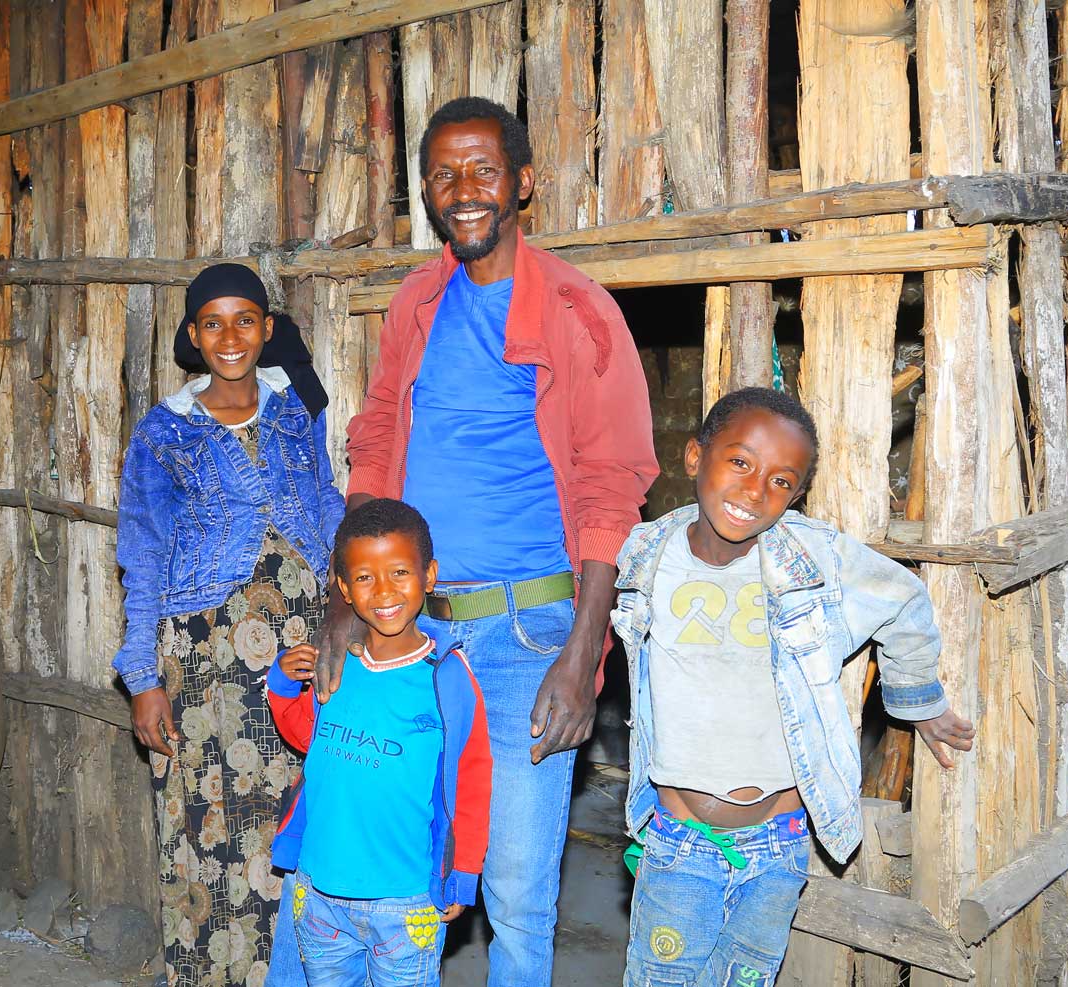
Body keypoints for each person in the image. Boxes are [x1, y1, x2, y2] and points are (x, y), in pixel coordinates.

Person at [328, 95, 659, 986]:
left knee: (515, 891)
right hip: (415, 633)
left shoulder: (578, 312)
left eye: (483, 170)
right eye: (443, 173)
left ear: (522, 184)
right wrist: (345, 605)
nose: (463, 189)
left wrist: (584, 654)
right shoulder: (417, 303)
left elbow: (611, 483)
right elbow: (377, 434)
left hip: (527, 637)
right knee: (404, 873)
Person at [610, 387, 976, 986]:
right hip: (678, 845)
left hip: (777, 848)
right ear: (695, 457)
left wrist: (919, 701)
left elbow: (904, 600)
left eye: (781, 481)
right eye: (740, 463)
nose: (755, 492)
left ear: (798, 494)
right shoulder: (646, 554)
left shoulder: (815, 558)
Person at [114, 262, 343, 987]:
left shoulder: (293, 412)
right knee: (207, 825)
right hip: (207, 662)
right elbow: (141, 555)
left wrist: (354, 592)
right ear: (193, 336)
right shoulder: (164, 433)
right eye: (212, 322)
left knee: (295, 817)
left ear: (267, 329)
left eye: (245, 319)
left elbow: (325, 499)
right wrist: (142, 678)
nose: (231, 335)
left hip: (300, 647)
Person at [267, 498, 492, 987]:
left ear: (428, 575)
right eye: (365, 578)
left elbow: (471, 785)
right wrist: (283, 686)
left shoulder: (447, 678)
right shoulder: (336, 667)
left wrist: (463, 872)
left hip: (405, 903)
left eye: (399, 572)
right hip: (320, 895)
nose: (384, 590)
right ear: (344, 589)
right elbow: (307, 738)